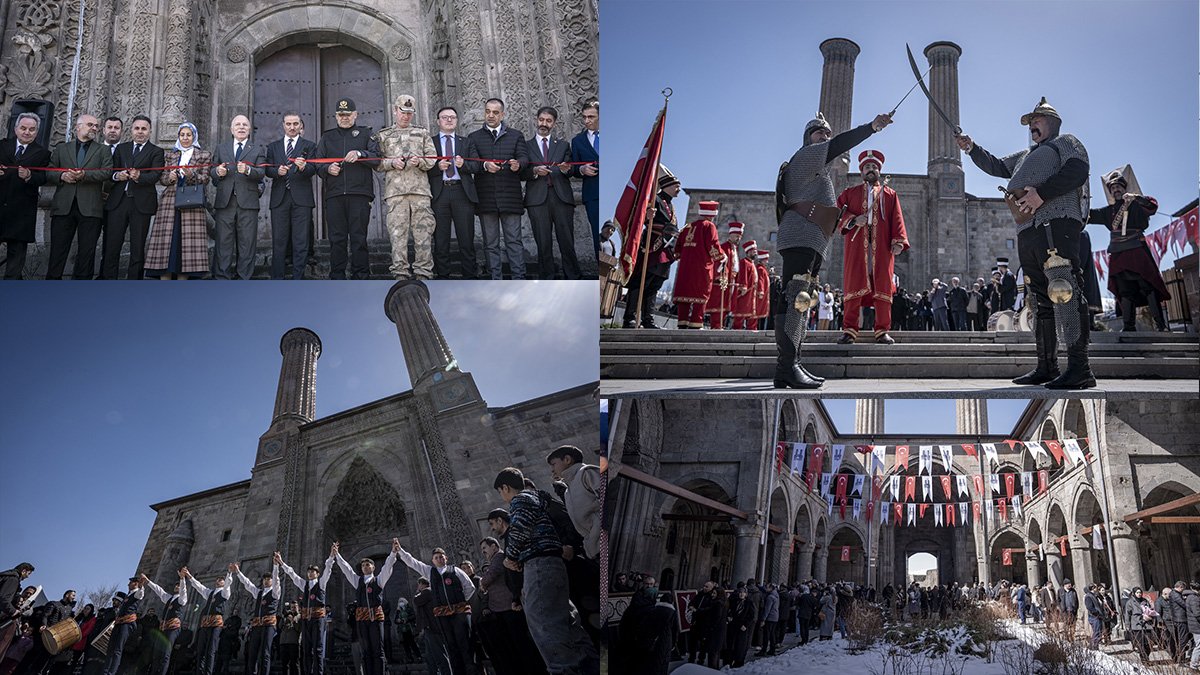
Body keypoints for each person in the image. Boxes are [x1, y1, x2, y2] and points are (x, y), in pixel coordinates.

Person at [959, 97, 1093, 389]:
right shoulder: (1024, 156)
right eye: (1029, 122)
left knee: (1064, 290)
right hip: (1028, 230)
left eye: (1037, 119)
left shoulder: (1066, 143)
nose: (1032, 125)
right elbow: (995, 165)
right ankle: (1046, 367)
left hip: (1057, 223)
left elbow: (1078, 171)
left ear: (1053, 124)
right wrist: (971, 148)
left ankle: (1080, 368)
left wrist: (1042, 193)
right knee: (1040, 298)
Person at [775, 110, 893, 388]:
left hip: (811, 236)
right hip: (801, 233)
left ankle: (793, 364)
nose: (825, 137)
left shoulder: (817, 170)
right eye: (820, 133)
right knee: (795, 298)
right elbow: (840, 144)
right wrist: (872, 127)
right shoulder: (806, 156)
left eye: (827, 134)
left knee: (802, 301)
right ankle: (787, 366)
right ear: (808, 138)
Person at [493, 467, 597, 674]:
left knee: (544, 625)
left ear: (505, 487)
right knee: (567, 621)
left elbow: (520, 528)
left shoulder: (521, 500)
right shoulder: (538, 499)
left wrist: (510, 558)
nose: (502, 497)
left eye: (500, 492)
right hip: (553, 564)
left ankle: (563, 669)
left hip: (538, 566)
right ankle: (590, 665)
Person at [835, 150, 909, 344]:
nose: (871, 169)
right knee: (854, 284)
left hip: (882, 248)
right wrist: (852, 220)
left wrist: (899, 241)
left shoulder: (890, 194)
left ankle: (882, 330)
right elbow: (837, 213)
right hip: (857, 248)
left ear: (879, 170)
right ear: (861, 171)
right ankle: (850, 329)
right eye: (867, 167)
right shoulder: (850, 193)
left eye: (874, 167)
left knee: (882, 285)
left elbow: (897, 218)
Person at [1087, 169, 1171, 331]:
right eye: (1113, 188)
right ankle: (1128, 327)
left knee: (1149, 286)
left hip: (1137, 250)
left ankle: (1161, 326)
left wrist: (1136, 197)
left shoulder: (1136, 204)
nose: (1116, 190)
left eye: (1119, 186)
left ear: (1125, 188)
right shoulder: (1108, 211)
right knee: (1125, 290)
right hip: (1118, 253)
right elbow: (1088, 215)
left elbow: (1152, 206)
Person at [315, 97, 381, 279]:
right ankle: (337, 275)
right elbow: (318, 165)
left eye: (348, 114)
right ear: (336, 116)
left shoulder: (366, 134)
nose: (344, 118)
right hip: (335, 195)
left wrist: (360, 154)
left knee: (359, 239)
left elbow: (376, 158)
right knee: (337, 239)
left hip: (359, 194)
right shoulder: (327, 137)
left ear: (355, 115)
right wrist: (328, 169)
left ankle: (361, 275)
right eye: (340, 114)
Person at [374, 94, 437, 280]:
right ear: (395, 110)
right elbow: (376, 163)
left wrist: (421, 161)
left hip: (420, 192)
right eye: (403, 112)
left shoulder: (423, 133)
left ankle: (423, 272)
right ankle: (400, 273)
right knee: (397, 235)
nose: (406, 116)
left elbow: (432, 159)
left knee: (423, 235)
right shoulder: (384, 135)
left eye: (410, 113)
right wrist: (391, 163)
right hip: (396, 193)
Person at [466, 97, 529, 279]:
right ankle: (496, 279)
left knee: (514, 242)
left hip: (510, 197)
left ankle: (519, 279)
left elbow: (524, 157)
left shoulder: (516, 135)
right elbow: (472, 163)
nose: (491, 115)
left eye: (495, 112)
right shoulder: (474, 137)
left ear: (502, 114)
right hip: (486, 198)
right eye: (488, 111)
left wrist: (519, 164)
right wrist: (485, 165)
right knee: (490, 244)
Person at [391, 539, 473, 675]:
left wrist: (459, 602)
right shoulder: (430, 572)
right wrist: (400, 551)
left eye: (441, 557)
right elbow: (412, 563)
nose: (439, 559)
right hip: (444, 617)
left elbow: (469, 587)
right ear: (432, 560)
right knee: (451, 647)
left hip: (460, 614)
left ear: (446, 558)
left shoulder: (456, 571)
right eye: (436, 557)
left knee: (466, 646)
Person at [45, 114, 111, 279]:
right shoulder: (62, 149)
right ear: (78, 126)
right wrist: (62, 176)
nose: (94, 128)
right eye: (90, 124)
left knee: (86, 252)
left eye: (96, 126)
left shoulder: (103, 150)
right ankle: (50, 287)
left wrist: (84, 176)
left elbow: (107, 172)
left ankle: (81, 289)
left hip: (90, 208)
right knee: (57, 251)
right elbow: (49, 171)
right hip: (64, 206)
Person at [144, 123, 211, 279]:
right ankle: (165, 282)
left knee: (186, 246)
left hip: (191, 204)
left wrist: (190, 175)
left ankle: (182, 283)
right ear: (178, 137)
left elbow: (205, 179)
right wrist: (170, 177)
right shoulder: (170, 155)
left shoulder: (203, 155)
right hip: (169, 204)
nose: (185, 138)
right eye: (182, 135)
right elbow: (162, 178)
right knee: (167, 243)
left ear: (194, 136)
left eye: (188, 135)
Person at [100, 115, 163, 280]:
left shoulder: (157, 151)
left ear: (149, 131)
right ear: (131, 130)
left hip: (141, 204)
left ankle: (134, 282)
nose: (140, 132)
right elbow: (110, 171)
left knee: (138, 246)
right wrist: (117, 176)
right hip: (118, 202)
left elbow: (155, 175)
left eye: (144, 129)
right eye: (137, 128)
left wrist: (138, 176)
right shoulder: (122, 149)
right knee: (112, 244)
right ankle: (108, 280)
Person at [523, 106, 580, 279]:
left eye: (548, 121)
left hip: (561, 198)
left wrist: (565, 169)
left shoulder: (563, 146)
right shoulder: (526, 146)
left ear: (554, 124)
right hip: (537, 200)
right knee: (543, 243)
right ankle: (547, 277)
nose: (544, 124)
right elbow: (520, 172)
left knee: (567, 242)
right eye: (541, 120)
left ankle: (573, 277)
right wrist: (534, 171)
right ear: (536, 120)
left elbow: (571, 171)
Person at [621, 168, 679, 328]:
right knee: (641, 282)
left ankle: (648, 319)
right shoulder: (655, 200)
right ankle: (630, 317)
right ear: (666, 185)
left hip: (666, 250)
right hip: (652, 246)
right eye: (676, 186)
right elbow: (637, 218)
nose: (678, 189)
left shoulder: (672, 206)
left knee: (655, 285)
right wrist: (647, 216)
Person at [209, 114, 264, 279]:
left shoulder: (257, 149)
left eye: (244, 125)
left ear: (249, 129)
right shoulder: (221, 148)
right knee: (223, 242)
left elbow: (262, 172)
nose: (241, 127)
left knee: (247, 243)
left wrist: (248, 171)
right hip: (225, 202)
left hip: (248, 203)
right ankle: (221, 277)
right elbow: (211, 171)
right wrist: (217, 172)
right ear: (231, 129)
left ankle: (243, 278)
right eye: (238, 125)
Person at [264, 113, 318, 280]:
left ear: (300, 125)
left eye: (295, 124)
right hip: (280, 199)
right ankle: (277, 278)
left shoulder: (309, 146)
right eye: (289, 124)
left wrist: (303, 168)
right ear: (283, 126)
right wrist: (276, 172)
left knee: (301, 242)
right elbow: (267, 170)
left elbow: (314, 170)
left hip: (302, 200)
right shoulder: (273, 147)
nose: (292, 127)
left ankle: (298, 277)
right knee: (279, 241)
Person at [427, 106, 479, 279]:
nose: (449, 120)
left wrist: (462, 165)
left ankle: (470, 277)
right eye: (445, 117)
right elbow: (422, 168)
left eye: (452, 117)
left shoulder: (467, 142)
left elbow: (477, 166)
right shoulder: (430, 142)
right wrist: (437, 167)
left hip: (461, 193)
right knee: (441, 241)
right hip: (439, 194)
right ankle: (443, 277)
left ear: (457, 121)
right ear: (438, 121)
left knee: (466, 240)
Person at [331, 543, 395, 675]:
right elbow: (347, 569)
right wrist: (337, 555)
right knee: (365, 650)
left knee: (378, 650)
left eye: (367, 565)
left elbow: (387, 567)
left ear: (373, 567)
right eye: (363, 565)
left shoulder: (378, 580)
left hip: (376, 619)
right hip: (362, 620)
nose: (365, 567)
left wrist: (393, 553)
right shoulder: (357, 581)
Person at [0, 114, 50, 279]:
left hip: (22, 211)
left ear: (37, 132)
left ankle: (12, 290)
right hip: (1, 206)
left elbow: (44, 177)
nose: (27, 132)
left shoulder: (43, 153)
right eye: (23, 128)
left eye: (31, 129)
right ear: (15, 129)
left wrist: (29, 175)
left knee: (16, 258)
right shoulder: (2, 145)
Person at [274, 552, 332, 675]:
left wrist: (332, 556)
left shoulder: (321, 583)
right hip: (306, 621)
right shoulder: (304, 585)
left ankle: (318, 672)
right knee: (306, 649)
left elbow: (328, 569)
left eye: (313, 571)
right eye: (309, 571)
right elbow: (292, 574)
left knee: (318, 649)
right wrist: (281, 563)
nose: (310, 573)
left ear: (317, 574)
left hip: (317, 619)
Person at [672, 200, 724, 329]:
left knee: (685, 294)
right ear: (712, 214)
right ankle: (696, 322)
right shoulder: (709, 226)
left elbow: (677, 248)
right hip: (701, 267)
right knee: (699, 294)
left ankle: (682, 322)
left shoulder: (687, 227)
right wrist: (723, 256)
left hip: (685, 267)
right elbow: (713, 246)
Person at [614, 576, 675, 675]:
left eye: (651, 584)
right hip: (633, 636)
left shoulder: (654, 600)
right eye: (647, 584)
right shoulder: (638, 597)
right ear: (643, 584)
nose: (649, 587)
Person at [231, 562, 281, 675]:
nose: (266, 581)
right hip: (257, 626)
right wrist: (238, 572)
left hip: (268, 625)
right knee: (252, 652)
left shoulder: (275, 592)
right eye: (264, 579)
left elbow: (277, 580)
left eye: (268, 579)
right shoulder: (258, 593)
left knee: (265, 653)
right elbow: (247, 583)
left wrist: (276, 566)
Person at [182, 567, 230, 675]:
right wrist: (189, 575)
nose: (219, 581)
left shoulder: (224, 593)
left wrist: (229, 573)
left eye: (221, 580)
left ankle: (208, 672)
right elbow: (198, 586)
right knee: (201, 650)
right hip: (205, 624)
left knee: (211, 650)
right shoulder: (209, 593)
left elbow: (227, 586)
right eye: (217, 579)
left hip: (215, 624)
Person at [569, 101, 599, 255]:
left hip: (615, 190)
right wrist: (581, 169)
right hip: (593, 194)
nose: (587, 120)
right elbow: (572, 167)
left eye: (591, 117)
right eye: (584, 117)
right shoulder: (578, 141)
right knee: (597, 234)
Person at [100, 578, 143, 675]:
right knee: (111, 648)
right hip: (119, 622)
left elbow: (141, 594)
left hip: (127, 623)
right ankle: (105, 671)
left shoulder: (136, 593)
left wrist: (141, 586)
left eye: (130, 583)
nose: (128, 584)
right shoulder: (129, 594)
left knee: (117, 649)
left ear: (135, 583)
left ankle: (112, 672)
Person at [704, 222, 742, 330]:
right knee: (718, 305)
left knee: (726, 305)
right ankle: (716, 325)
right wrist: (721, 276)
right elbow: (719, 262)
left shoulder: (734, 249)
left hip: (731, 281)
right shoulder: (724, 247)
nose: (738, 238)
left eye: (739, 237)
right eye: (736, 236)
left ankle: (720, 325)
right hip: (722, 281)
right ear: (730, 235)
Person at [730, 240, 759, 330]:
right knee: (741, 311)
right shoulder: (744, 262)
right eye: (754, 251)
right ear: (749, 252)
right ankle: (736, 328)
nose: (756, 253)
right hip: (745, 292)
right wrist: (743, 287)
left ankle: (752, 329)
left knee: (752, 313)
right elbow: (743, 275)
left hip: (752, 292)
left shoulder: (752, 263)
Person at [726, 587, 754, 668]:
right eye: (740, 592)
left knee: (740, 645)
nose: (741, 594)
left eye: (743, 593)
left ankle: (739, 661)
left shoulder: (749, 602)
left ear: (746, 594)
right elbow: (730, 611)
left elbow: (751, 615)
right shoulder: (734, 601)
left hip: (742, 626)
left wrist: (745, 625)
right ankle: (729, 660)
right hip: (733, 625)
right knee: (731, 644)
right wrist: (729, 616)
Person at [1125, 587, 1154, 662]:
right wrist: (1127, 625)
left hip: (1147, 624)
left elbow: (1150, 610)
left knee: (1149, 643)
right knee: (1141, 644)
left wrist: (1150, 616)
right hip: (1137, 625)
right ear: (1134, 593)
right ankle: (1144, 659)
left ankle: (1147, 655)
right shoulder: (1130, 602)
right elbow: (1127, 614)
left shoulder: (1145, 601)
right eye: (1137, 593)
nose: (1139, 594)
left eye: (1140, 592)